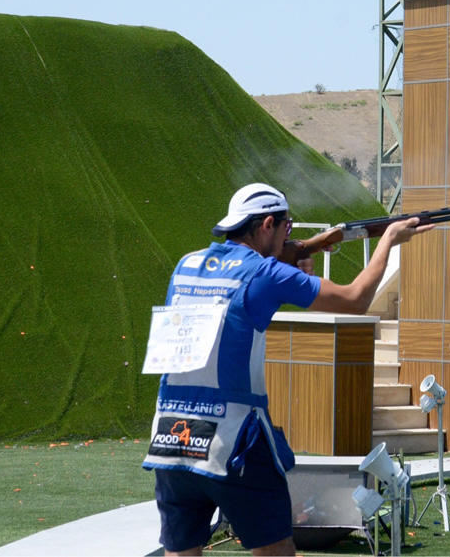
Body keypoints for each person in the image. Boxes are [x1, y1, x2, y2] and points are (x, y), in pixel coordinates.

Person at [141, 182, 432, 556]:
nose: (288, 236)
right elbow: (356, 300)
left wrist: (293, 255)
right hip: (234, 441)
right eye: (286, 228)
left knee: (181, 552)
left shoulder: (187, 264)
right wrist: (388, 241)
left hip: (172, 439)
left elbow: (233, 286)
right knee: (275, 550)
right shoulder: (266, 273)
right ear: (267, 225)